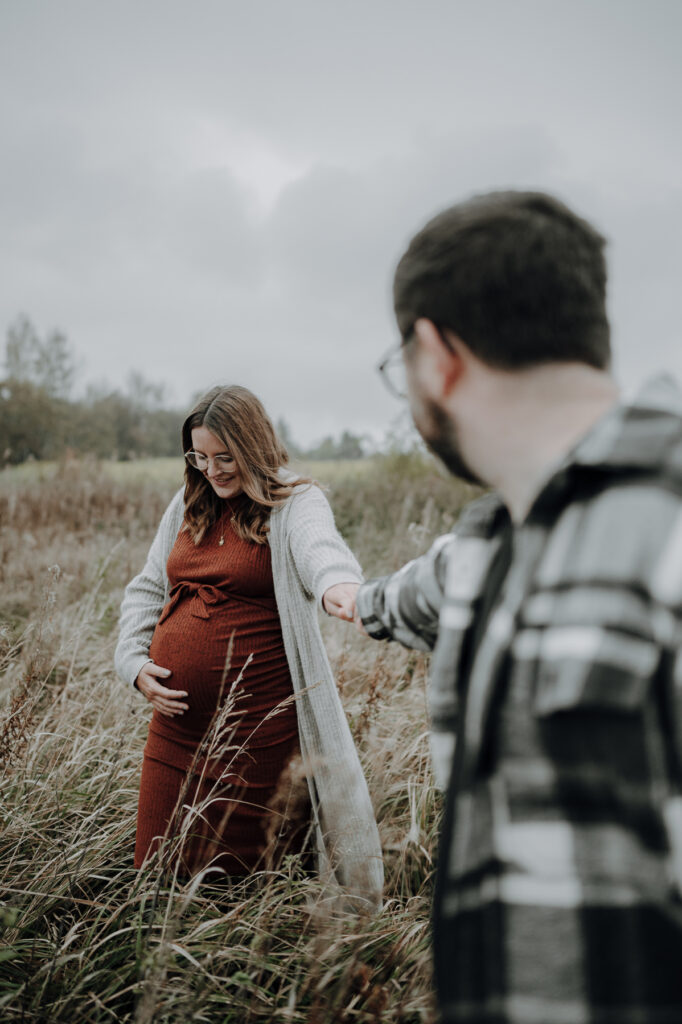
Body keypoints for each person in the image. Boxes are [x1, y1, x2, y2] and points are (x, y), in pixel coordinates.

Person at [348, 192, 682, 1021]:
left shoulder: (669, 534)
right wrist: (344, 593)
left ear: (436, 355)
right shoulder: (485, 546)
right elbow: (397, 601)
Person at [115, 384, 382, 907]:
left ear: (253, 446)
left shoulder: (294, 502)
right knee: (156, 874)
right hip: (175, 732)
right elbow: (147, 588)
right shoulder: (188, 502)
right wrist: (134, 662)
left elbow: (320, 549)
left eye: (224, 457)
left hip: (255, 737)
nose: (211, 470)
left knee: (240, 890)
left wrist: (339, 586)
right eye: (199, 457)